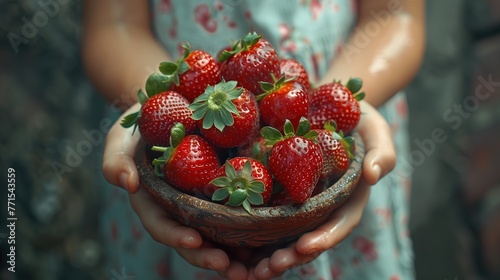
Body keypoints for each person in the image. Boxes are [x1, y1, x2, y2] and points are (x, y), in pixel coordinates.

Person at [82, 0, 424, 279]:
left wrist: (340, 106)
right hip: (178, 104)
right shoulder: (188, 122)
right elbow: (114, 26)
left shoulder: (307, 120)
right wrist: (153, 105)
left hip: (343, 81)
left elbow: (394, 15)